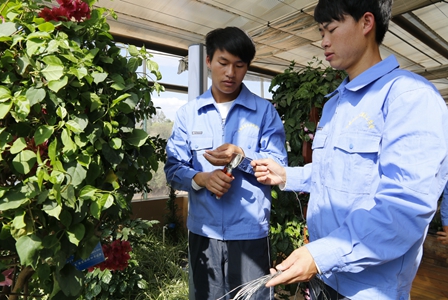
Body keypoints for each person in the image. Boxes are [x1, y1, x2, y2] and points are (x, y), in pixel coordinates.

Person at [250, 0, 448, 299]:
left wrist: (322, 254)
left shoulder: (408, 97)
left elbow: (404, 209)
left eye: (331, 29)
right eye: (321, 31)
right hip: (325, 277)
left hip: (366, 289)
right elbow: (336, 172)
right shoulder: (335, 104)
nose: (323, 41)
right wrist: (285, 175)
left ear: (366, 23)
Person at [164, 26, 287, 300]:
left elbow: (279, 165)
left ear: (247, 68)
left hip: (250, 232)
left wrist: (241, 157)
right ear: (209, 61)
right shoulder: (189, 114)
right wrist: (201, 179)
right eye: (223, 63)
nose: (230, 73)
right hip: (203, 232)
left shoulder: (264, 112)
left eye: (239, 65)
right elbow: (173, 168)